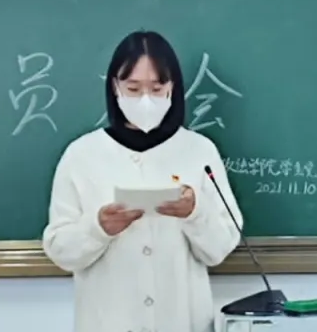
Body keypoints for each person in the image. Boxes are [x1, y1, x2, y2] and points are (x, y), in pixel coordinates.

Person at [42, 31, 242, 332]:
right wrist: (98, 228)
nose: (145, 100)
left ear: (172, 87)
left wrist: (194, 213)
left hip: (182, 322)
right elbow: (61, 251)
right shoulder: (82, 155)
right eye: (133, 89)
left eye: (157, 88)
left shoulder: (199, 151)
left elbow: (220, 247)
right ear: (115, 86)